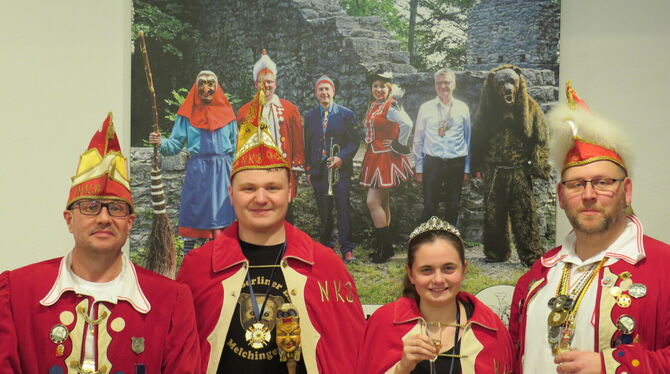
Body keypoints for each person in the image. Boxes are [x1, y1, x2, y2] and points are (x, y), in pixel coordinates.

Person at [178, 85, 365, 373]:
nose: (261, 198)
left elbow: (352, 353)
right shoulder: (197, 268)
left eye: (273, 187)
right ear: (231, 193)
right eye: (248, 188)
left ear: (290, 191)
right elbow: (180, 357)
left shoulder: (327, 266)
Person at [0, 114, 200, 373]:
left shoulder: (171, 301)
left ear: (129, 222)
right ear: (69, 219)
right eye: (90, 207)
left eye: (116, 208)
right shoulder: (16, 292)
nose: (104, 218)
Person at [509, 84, 670, 373]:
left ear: (627, 190)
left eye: (603, 182)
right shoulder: (535, 278)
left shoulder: (665, 268)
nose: (588, 194)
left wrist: (613, 366)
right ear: (560, 195)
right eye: (576, 184)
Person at [356, 216, 514, 374]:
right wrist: (401, 368)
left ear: (464, 270)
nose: (438, 279)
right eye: (426, 270)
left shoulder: (491, 329)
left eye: (448, 268)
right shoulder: (384, 323)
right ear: (411, 274)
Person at [149, 70, 238, 255]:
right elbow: (174, 144)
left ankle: (220, 258)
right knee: (195, 212)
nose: (206, 88)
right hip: (198, 171)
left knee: (221, 214)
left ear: (217, 86)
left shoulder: (228, 114)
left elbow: (236, 147)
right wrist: (161, 142)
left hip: (223, 173)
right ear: (196, 87)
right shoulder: (187, 115)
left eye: (211, 83)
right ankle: (189, 259)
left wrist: (237, 173)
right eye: (202, 83)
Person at [237, 51, 305, 223]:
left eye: (269, 82)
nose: (266, 85)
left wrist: (297, 165)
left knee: (286, 210)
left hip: (282, 169)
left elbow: (298, 140)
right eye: (262, 82)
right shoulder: (244, 113)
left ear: (275, 84)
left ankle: (288, 245)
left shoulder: (289, 109)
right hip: (256, 169)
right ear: (255, 84)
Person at [304, 75, 360, 263]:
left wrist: (341, 157)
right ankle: (327, 245)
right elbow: (308, 144)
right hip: (319, 171)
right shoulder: (310, 117)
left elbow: (354, 141)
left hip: (340, 171)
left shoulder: (346, 114)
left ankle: (347, 248)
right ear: (316, 94)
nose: (324, 93)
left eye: (327, 89)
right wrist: (309, 169)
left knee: (343, 208)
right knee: (324, 210)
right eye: (321, 90)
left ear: (333, 92)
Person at [360, 70, 414, 263]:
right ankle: (385, 246)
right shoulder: (375, 105)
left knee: (372, 202)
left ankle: (385, 247)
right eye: (375, 86)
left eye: (382, 86)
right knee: (383, 202)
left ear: (389, 88)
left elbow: (407, 124)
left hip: (386, 159)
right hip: (374, 157)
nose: (378, 89)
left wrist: (399, 144)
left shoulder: (391, 105)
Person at [413, 68, 472, 225]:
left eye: (447, 82)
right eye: (439, 83)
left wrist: (467, 168)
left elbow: (468, 139)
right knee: (430, 205)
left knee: (453, 206)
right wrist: (419, 169)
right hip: (433, 163)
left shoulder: (462, 107)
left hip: (456, 163)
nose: (443, 86)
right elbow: (418, 139)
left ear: (454, 85)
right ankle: (427, 241)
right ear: (434, 85)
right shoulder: (425, 108)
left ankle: (449, 242)